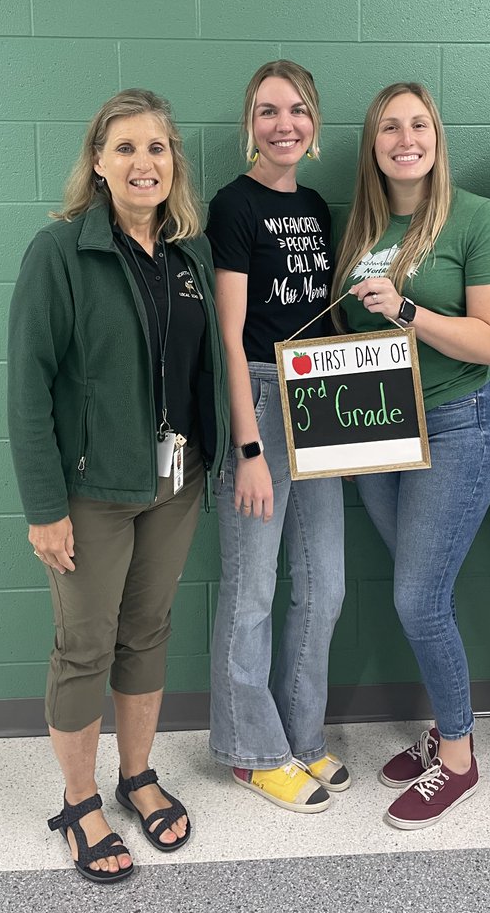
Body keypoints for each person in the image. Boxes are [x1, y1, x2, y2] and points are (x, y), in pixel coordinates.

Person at [7, 89, 230, 882]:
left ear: (175, 163)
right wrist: (44, 510)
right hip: (89, 491)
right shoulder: (59, 252)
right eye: (126, 148)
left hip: (176, 480)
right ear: (98, 163)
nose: (145, 163)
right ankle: (77, 802)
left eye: (158, 149)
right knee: (85, 645)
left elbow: (206, 368)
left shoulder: (190, 254)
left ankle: (137, 776)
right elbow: (28, 388)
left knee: (148, 630)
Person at [334, 82, 490, 829]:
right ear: (374, 146)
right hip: (380, 428)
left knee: (417, 597)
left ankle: (460, 757)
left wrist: (409, 311)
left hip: (458, 424)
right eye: (388, 128)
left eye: (417, 124)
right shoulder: (363, 227)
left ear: (435, 137)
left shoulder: (477, 221)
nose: (404, 138)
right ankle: (448, 729)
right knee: (420, 594)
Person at [206, 60, 348, 813]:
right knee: (253, 589)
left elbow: (321, 317)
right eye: (267, 111)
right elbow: (229, 337)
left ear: (314, 123)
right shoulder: (233, 205)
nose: (283, 123)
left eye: (296, 110)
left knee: (325, 585)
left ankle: (302, 736)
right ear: (249, 124)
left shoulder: (319, 206)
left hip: (316, 390)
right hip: (259, 396)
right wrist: (249, 449)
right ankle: (250, 751)